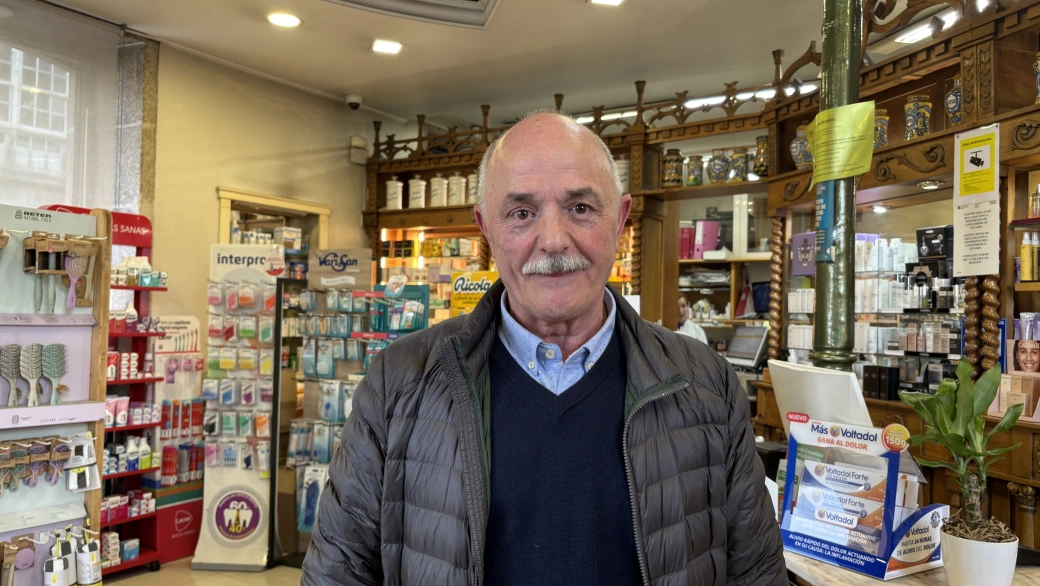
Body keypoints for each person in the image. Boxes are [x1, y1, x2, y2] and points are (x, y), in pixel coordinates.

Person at [302, 112, 786, 586]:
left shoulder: (705, 383)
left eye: (580, 208)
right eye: (521, 213)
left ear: (619, 221)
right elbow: (337, 573)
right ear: (487, 230)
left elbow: (757, 574)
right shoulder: (398, 382)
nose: (553, 240)